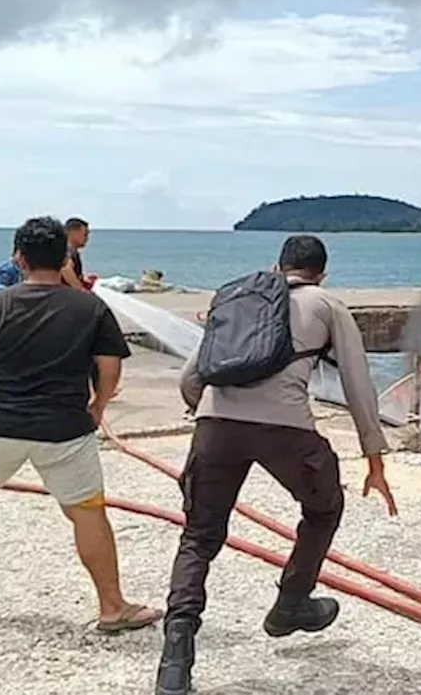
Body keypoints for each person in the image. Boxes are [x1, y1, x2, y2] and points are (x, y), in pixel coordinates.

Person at [155, 234, 398, 695]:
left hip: (214, 424)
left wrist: (207, 418)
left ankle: (176, 655)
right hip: (286, 428)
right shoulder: (327, 304)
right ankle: (291, 603)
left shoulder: (240, 298)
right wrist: (374, 457)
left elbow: (191, 378)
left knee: (199, 535)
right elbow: (357, 383)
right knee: (324, 507)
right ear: (321, 273)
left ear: (277, 266)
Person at [0, 216, 163, 632]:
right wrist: (99, 405)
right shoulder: (90, 307)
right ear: (65, 259)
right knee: (88, 512)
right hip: (65, 429)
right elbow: (109, 366)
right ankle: (112, 606)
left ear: (18, 258)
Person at [61, 216, 93, 291]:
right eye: (85, 234)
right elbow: (66, 269)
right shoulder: (69, 251)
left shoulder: (65, 249)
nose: (87, 238)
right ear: (74, 233)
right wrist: (81, 290)